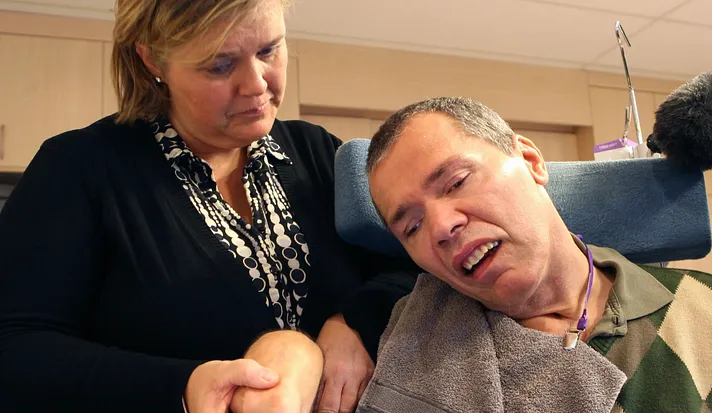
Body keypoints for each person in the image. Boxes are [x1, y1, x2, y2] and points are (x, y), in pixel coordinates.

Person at [0, 0, 416, 412]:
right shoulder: (78, 169)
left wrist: (355, 321)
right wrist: (184, 387)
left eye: (269, 50)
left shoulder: (319, 153)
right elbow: (16, 349)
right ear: (153, 60)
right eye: (220, 65)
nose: (256, 84)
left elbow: (416, 265)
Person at [363, 97, 712, 413]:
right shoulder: (412, 355)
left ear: (530, 160)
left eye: (456, 182)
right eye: (411, 227)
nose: (441, 227)